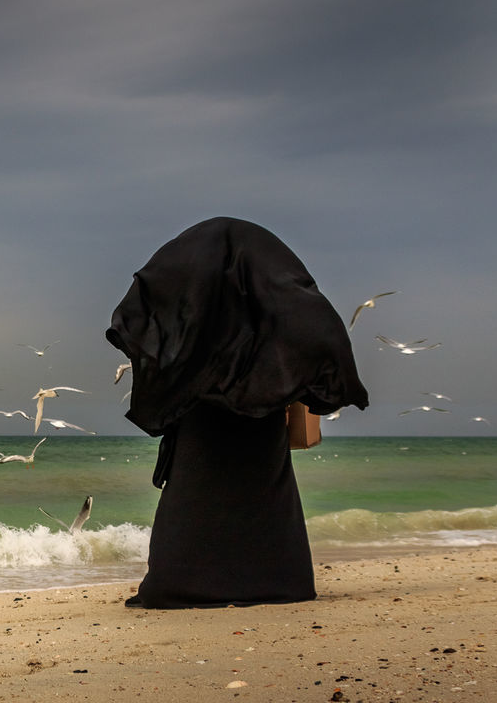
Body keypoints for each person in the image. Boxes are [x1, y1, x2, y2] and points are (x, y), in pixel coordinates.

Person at [105, 217, 368, 609]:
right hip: (261, 407)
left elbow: (148, 308)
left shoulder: (192, 327)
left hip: (200, 410)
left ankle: (181, 584)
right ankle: (276, 580)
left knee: (195, 493)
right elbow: (313, 320)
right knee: (264, 491)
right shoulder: (270, 320)